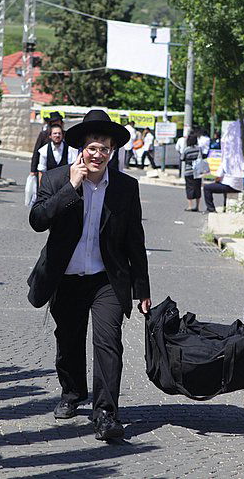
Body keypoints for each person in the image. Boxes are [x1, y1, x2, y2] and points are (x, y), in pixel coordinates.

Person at [28, 109, 151, 442]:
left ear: (112, 152)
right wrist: (71, 187)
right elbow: (37, 219)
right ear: (82, 149)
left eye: (105, 149)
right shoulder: (56, 179)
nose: (99, 155)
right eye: (93, 148)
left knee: (108, 343)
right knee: (68, 341)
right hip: (66, 277)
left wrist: (142, 289)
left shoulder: (126, 187)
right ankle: (72, 393)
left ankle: (106, 413)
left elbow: (134, 241)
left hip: (106, 279)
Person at [31, 111, 64, 176]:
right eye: (54, 122)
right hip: (45, 168)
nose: (56, 124)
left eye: (57, 121)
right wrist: (33, 169)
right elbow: (36, 152)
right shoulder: (43, 135)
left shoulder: (65, 135)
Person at [181, 134, 203, 211]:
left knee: (189, 188)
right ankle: (197, 206)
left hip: (188, 171)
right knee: (197, 188)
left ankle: (190, 206)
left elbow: (182, 158)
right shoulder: (199, 149)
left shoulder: (186, 150)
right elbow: (201, 157)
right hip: (197, 172)